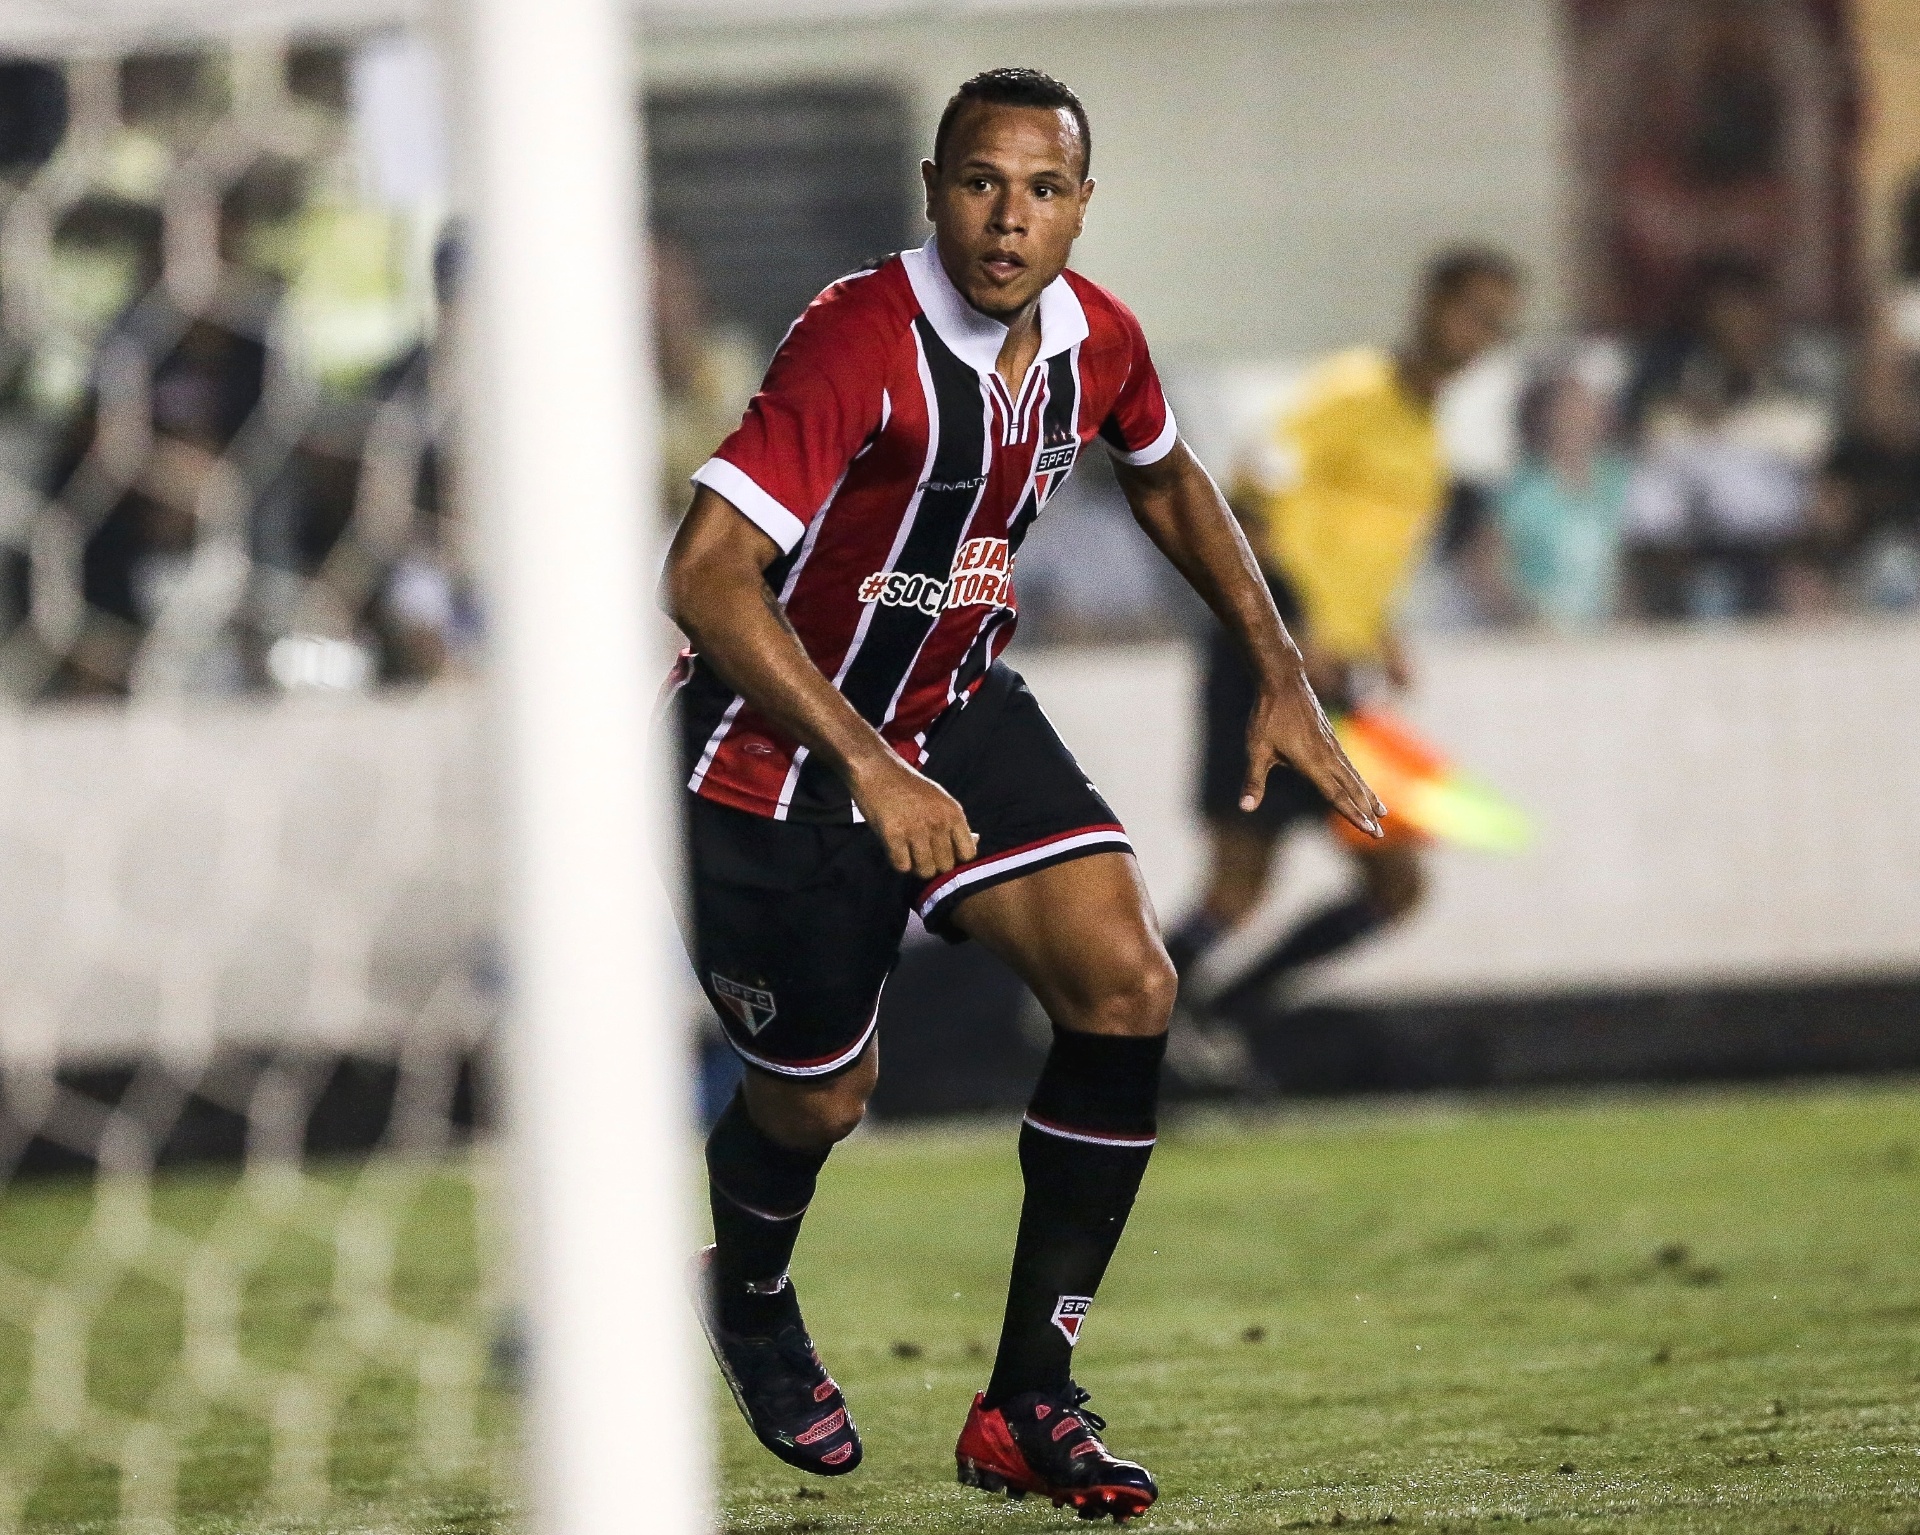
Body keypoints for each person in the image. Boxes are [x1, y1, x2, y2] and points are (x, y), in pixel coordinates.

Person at [663, 67, 1382, 1522]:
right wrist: (867, 765)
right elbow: (702, 576)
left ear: (1081, 208)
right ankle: (743, 1290)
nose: (1011, 220)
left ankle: (1028, 1400)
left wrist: (1277, 666)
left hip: (957, 714)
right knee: (823, 1099)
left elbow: (1169, 479)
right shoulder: (854, 342)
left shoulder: (1095, 339)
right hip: (775, 756)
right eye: (982, 184)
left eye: (1044, 191)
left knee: (1128, 981)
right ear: (933, 189)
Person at [1160, 249, 1521, 1040]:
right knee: (1238, 886)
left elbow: (1355, 545)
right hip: (1265, 665)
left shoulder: (1426, 436)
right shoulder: (1354, 390)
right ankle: (1118, 1022)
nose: (1484, 334)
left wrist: (1377, 631)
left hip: (1333, 680)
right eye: (1477, 312)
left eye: (1500, 323)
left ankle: (1225, 1013)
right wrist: (1287, 628)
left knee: (1394, 881)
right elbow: (1249, 498)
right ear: (1430, 304)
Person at [1495, 354, 1632, 630]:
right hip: (1543, 633)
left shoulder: (1618, 480)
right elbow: (1485, 565)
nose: (1581, 415)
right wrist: (1526, 619)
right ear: (1543, 416)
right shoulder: (1521, 489)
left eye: (1588, 405)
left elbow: (1627, 562)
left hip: (1607, 632)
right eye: (1569, 407)